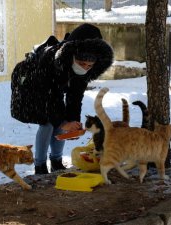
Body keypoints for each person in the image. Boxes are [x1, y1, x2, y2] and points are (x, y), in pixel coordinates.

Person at [33, 23, 114, 174]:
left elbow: (75, 97)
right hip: (35, 91)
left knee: (62, 120)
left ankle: (56, 161)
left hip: (53, 94)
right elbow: (49, 98)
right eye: (81, 63)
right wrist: (63, 123)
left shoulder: (84, 73)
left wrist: (72, 122)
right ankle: (40, 165)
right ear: (71, 56)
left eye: (89, 66)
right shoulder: (50, 59)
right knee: (47, 123)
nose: (84, 68)